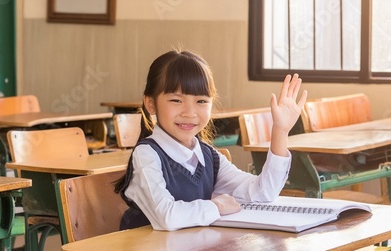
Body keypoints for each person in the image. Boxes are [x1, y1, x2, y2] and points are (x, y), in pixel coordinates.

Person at [114, 49, 307, 231]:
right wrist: (216, 206)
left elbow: (262, 194)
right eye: (176, 100)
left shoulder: (208, 156)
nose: (190, 113)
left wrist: (280, 131)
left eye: (201, 101)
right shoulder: (147, 154)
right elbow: (166, 216)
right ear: (151, 104)